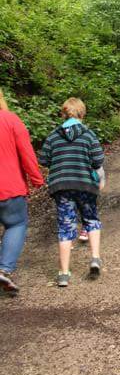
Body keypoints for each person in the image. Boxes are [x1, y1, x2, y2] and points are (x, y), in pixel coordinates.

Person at [40, 97, 104, 288]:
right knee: (91, 219)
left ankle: (64, 273)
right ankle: (94, 258)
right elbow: (98, 160)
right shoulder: (89, 135)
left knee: (65, 226)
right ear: (82, 114)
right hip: (85, 185)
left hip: (62, 187)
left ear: (63, 114)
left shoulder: (53, 136)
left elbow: (43, 160)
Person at [0, 89, 44, 295]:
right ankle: (4, 269)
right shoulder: (10, 120)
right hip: (9, 187)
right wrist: (36, 178)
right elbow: (26, 152)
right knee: (16, 224)